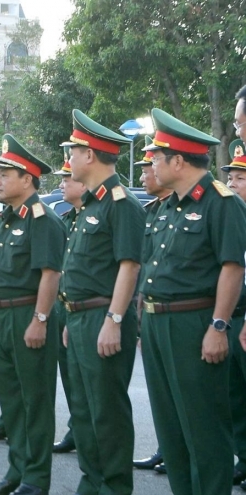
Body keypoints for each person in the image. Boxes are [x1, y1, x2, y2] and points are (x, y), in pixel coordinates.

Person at [142, 108, 246, 494]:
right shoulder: (168, 206)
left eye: (157, 156)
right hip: (157, 323)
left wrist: (219, 325)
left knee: (203, 429)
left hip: (194, 323)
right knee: (172, 429)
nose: (152, 162)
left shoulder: (221, 202)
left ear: (179, 161)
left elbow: (232, 267)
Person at [58, 110, 143, 495]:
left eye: (73, 151)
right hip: (78, 319)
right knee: (84, 409)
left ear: (90, 155)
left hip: (103, 317)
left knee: (106, 411)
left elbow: (129, 266)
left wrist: (114, 318)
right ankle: (91, 482)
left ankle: (113, 487)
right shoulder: (89, 205)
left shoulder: (120, 204)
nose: (69, 160)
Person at [0, 135, 65, 495]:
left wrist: (40, 319)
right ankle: (16, 470)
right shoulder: (5, 218)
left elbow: (50, 274)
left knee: (34, 400)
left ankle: (35, 478)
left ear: (27, 178)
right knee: (11, 400)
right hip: (0, 317)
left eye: (4, 174)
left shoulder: (42, 219)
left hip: (28, 315)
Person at [132, 136, 169, 473]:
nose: (145, 175)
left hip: (191, 316)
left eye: (150, 167)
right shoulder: (152, 212)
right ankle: (167, 448)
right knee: (161, 393)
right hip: (153, 313)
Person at [49, 152, 81, 456]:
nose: (61, 184)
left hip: (91, 311)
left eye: (66, 179)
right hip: (63, 306)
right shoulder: (66, 219)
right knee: (70, 375)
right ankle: (77, 429)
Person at [226, 138, 246, 486]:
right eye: (230, 177)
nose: (231, 182)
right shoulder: (231, 215)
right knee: (235, 396)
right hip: (232, 315)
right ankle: (243, 457)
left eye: (240, 178)